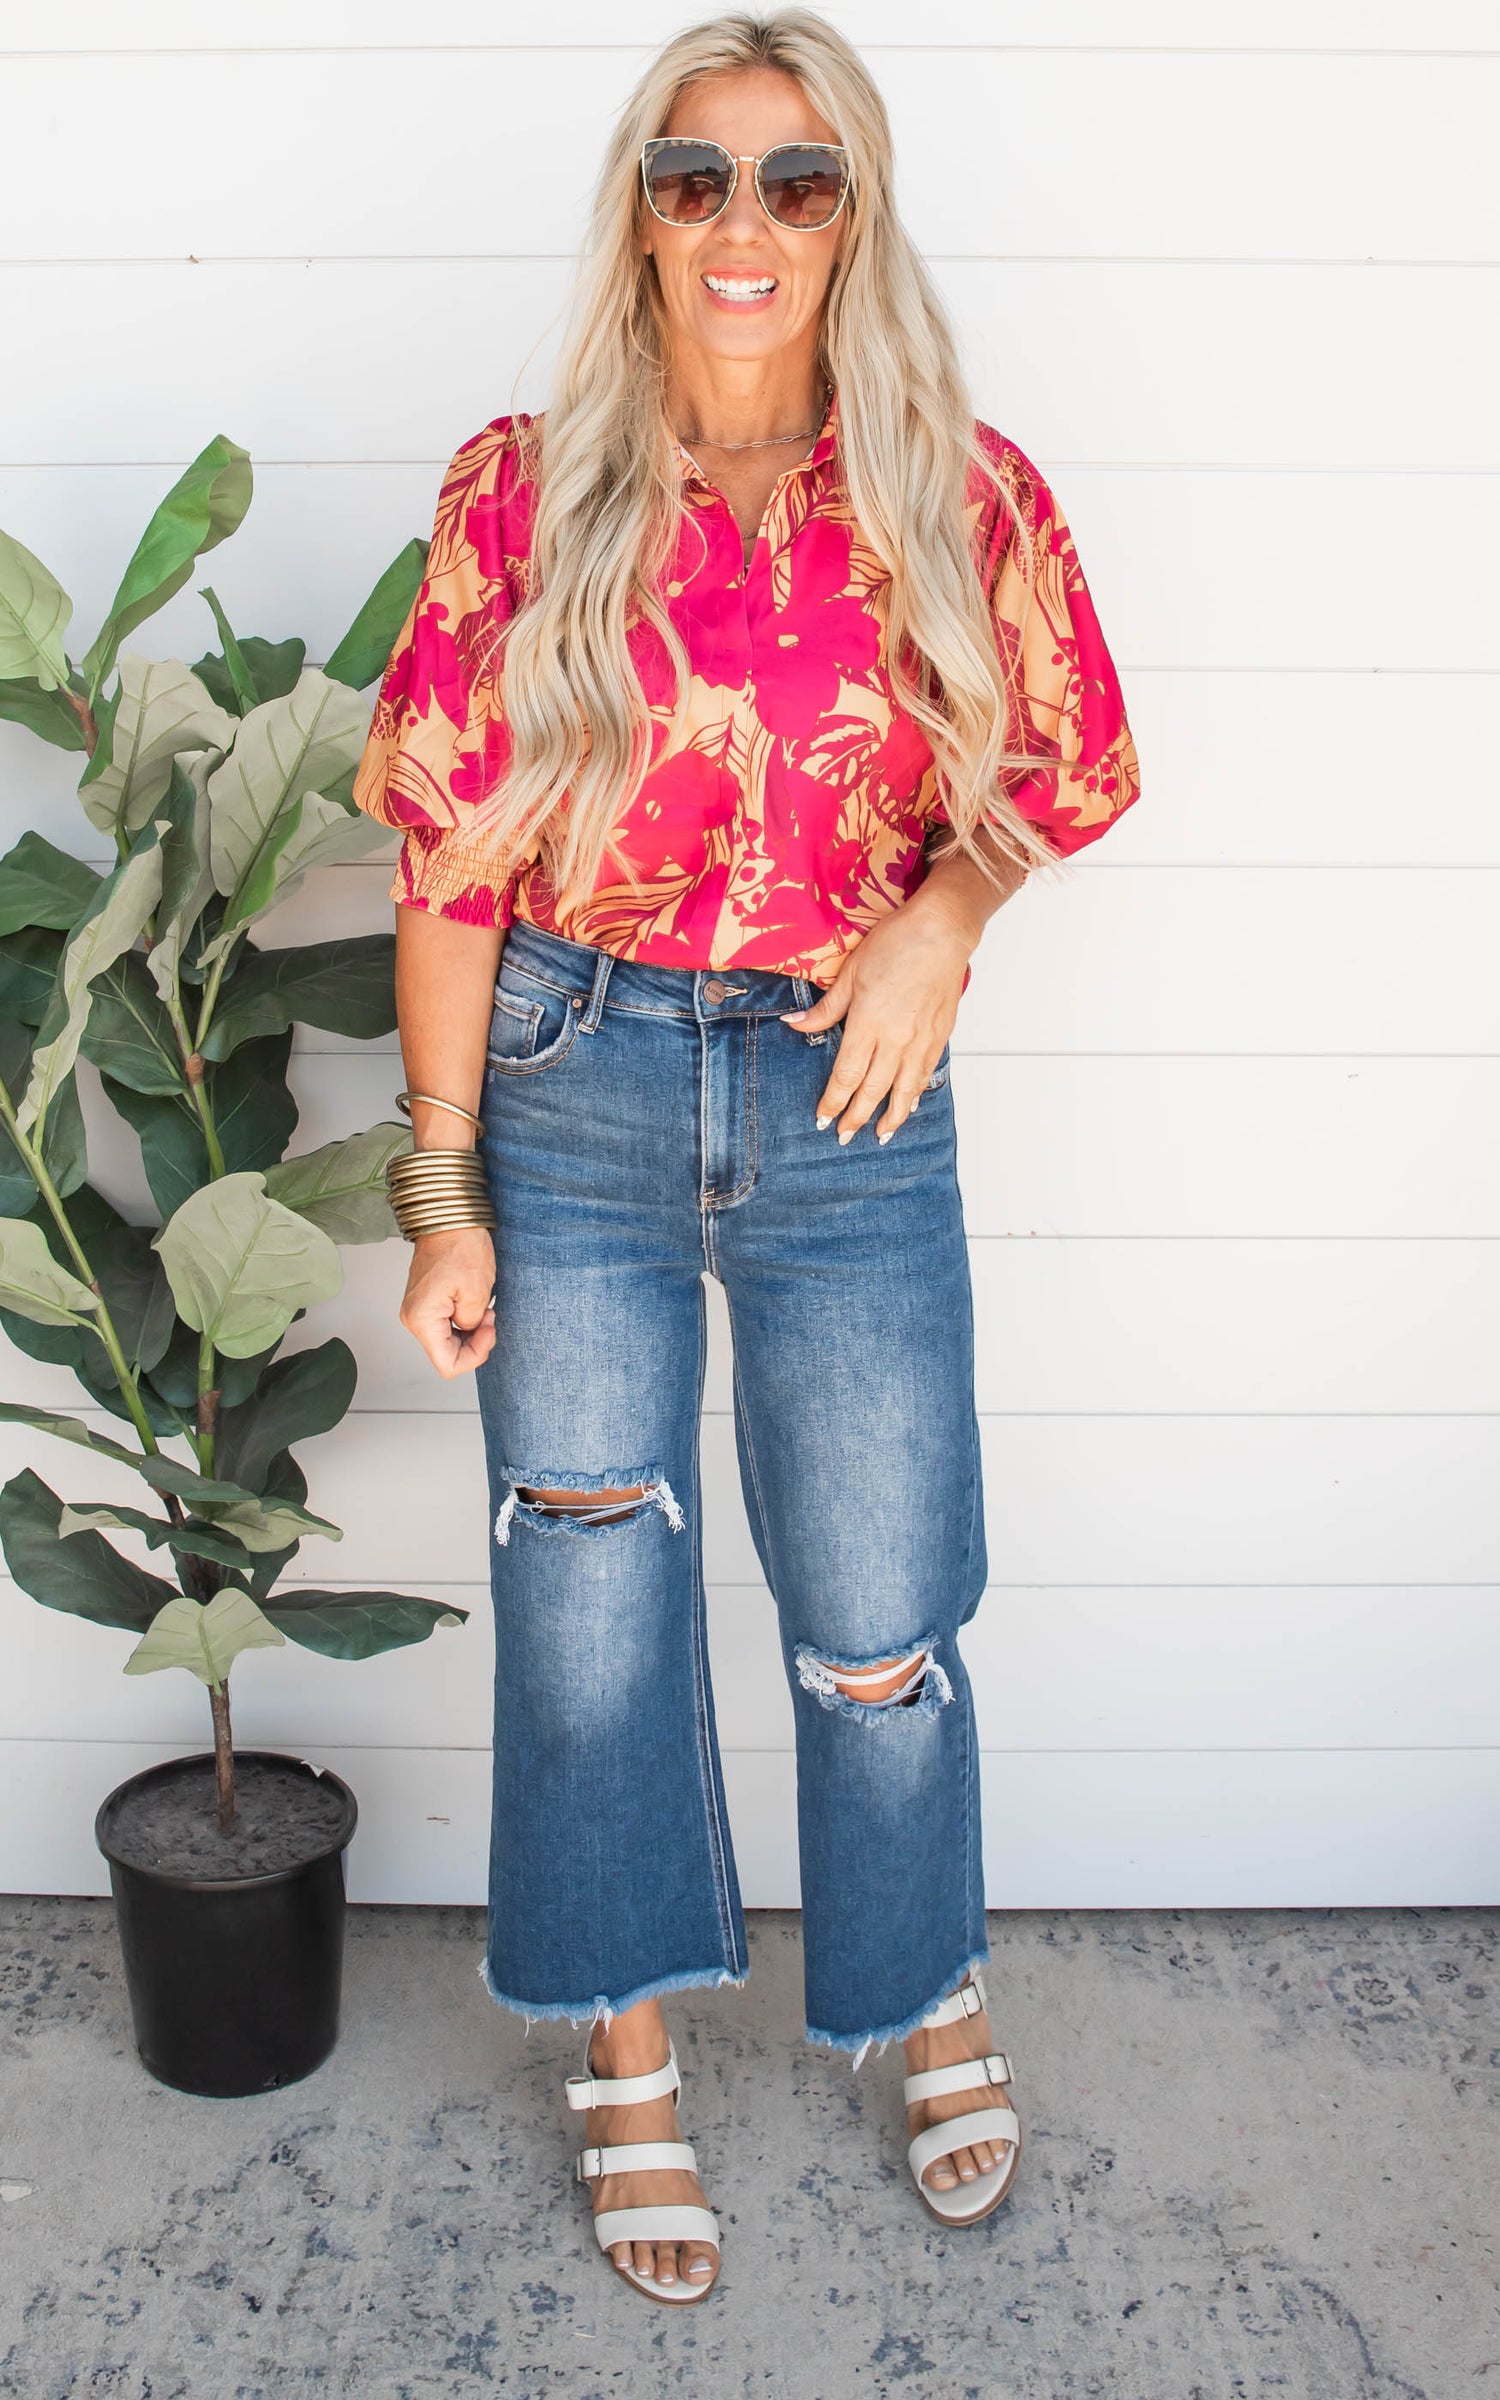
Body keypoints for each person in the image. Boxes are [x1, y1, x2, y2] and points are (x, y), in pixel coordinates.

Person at [351, 7, 1139, 2307]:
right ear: (640, 214)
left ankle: (923, 1992)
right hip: (572, 1073)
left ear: (854, 217)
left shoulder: (955, 490)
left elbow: (1067, 757)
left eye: (798, 181)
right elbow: (445, 856)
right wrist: (442, 1186)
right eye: (693, 175)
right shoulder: (522, 492)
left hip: (841, 1094)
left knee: (881, 1612)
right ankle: (622, 2046)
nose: (742, 223)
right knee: (588, 1588)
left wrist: (943, 923)